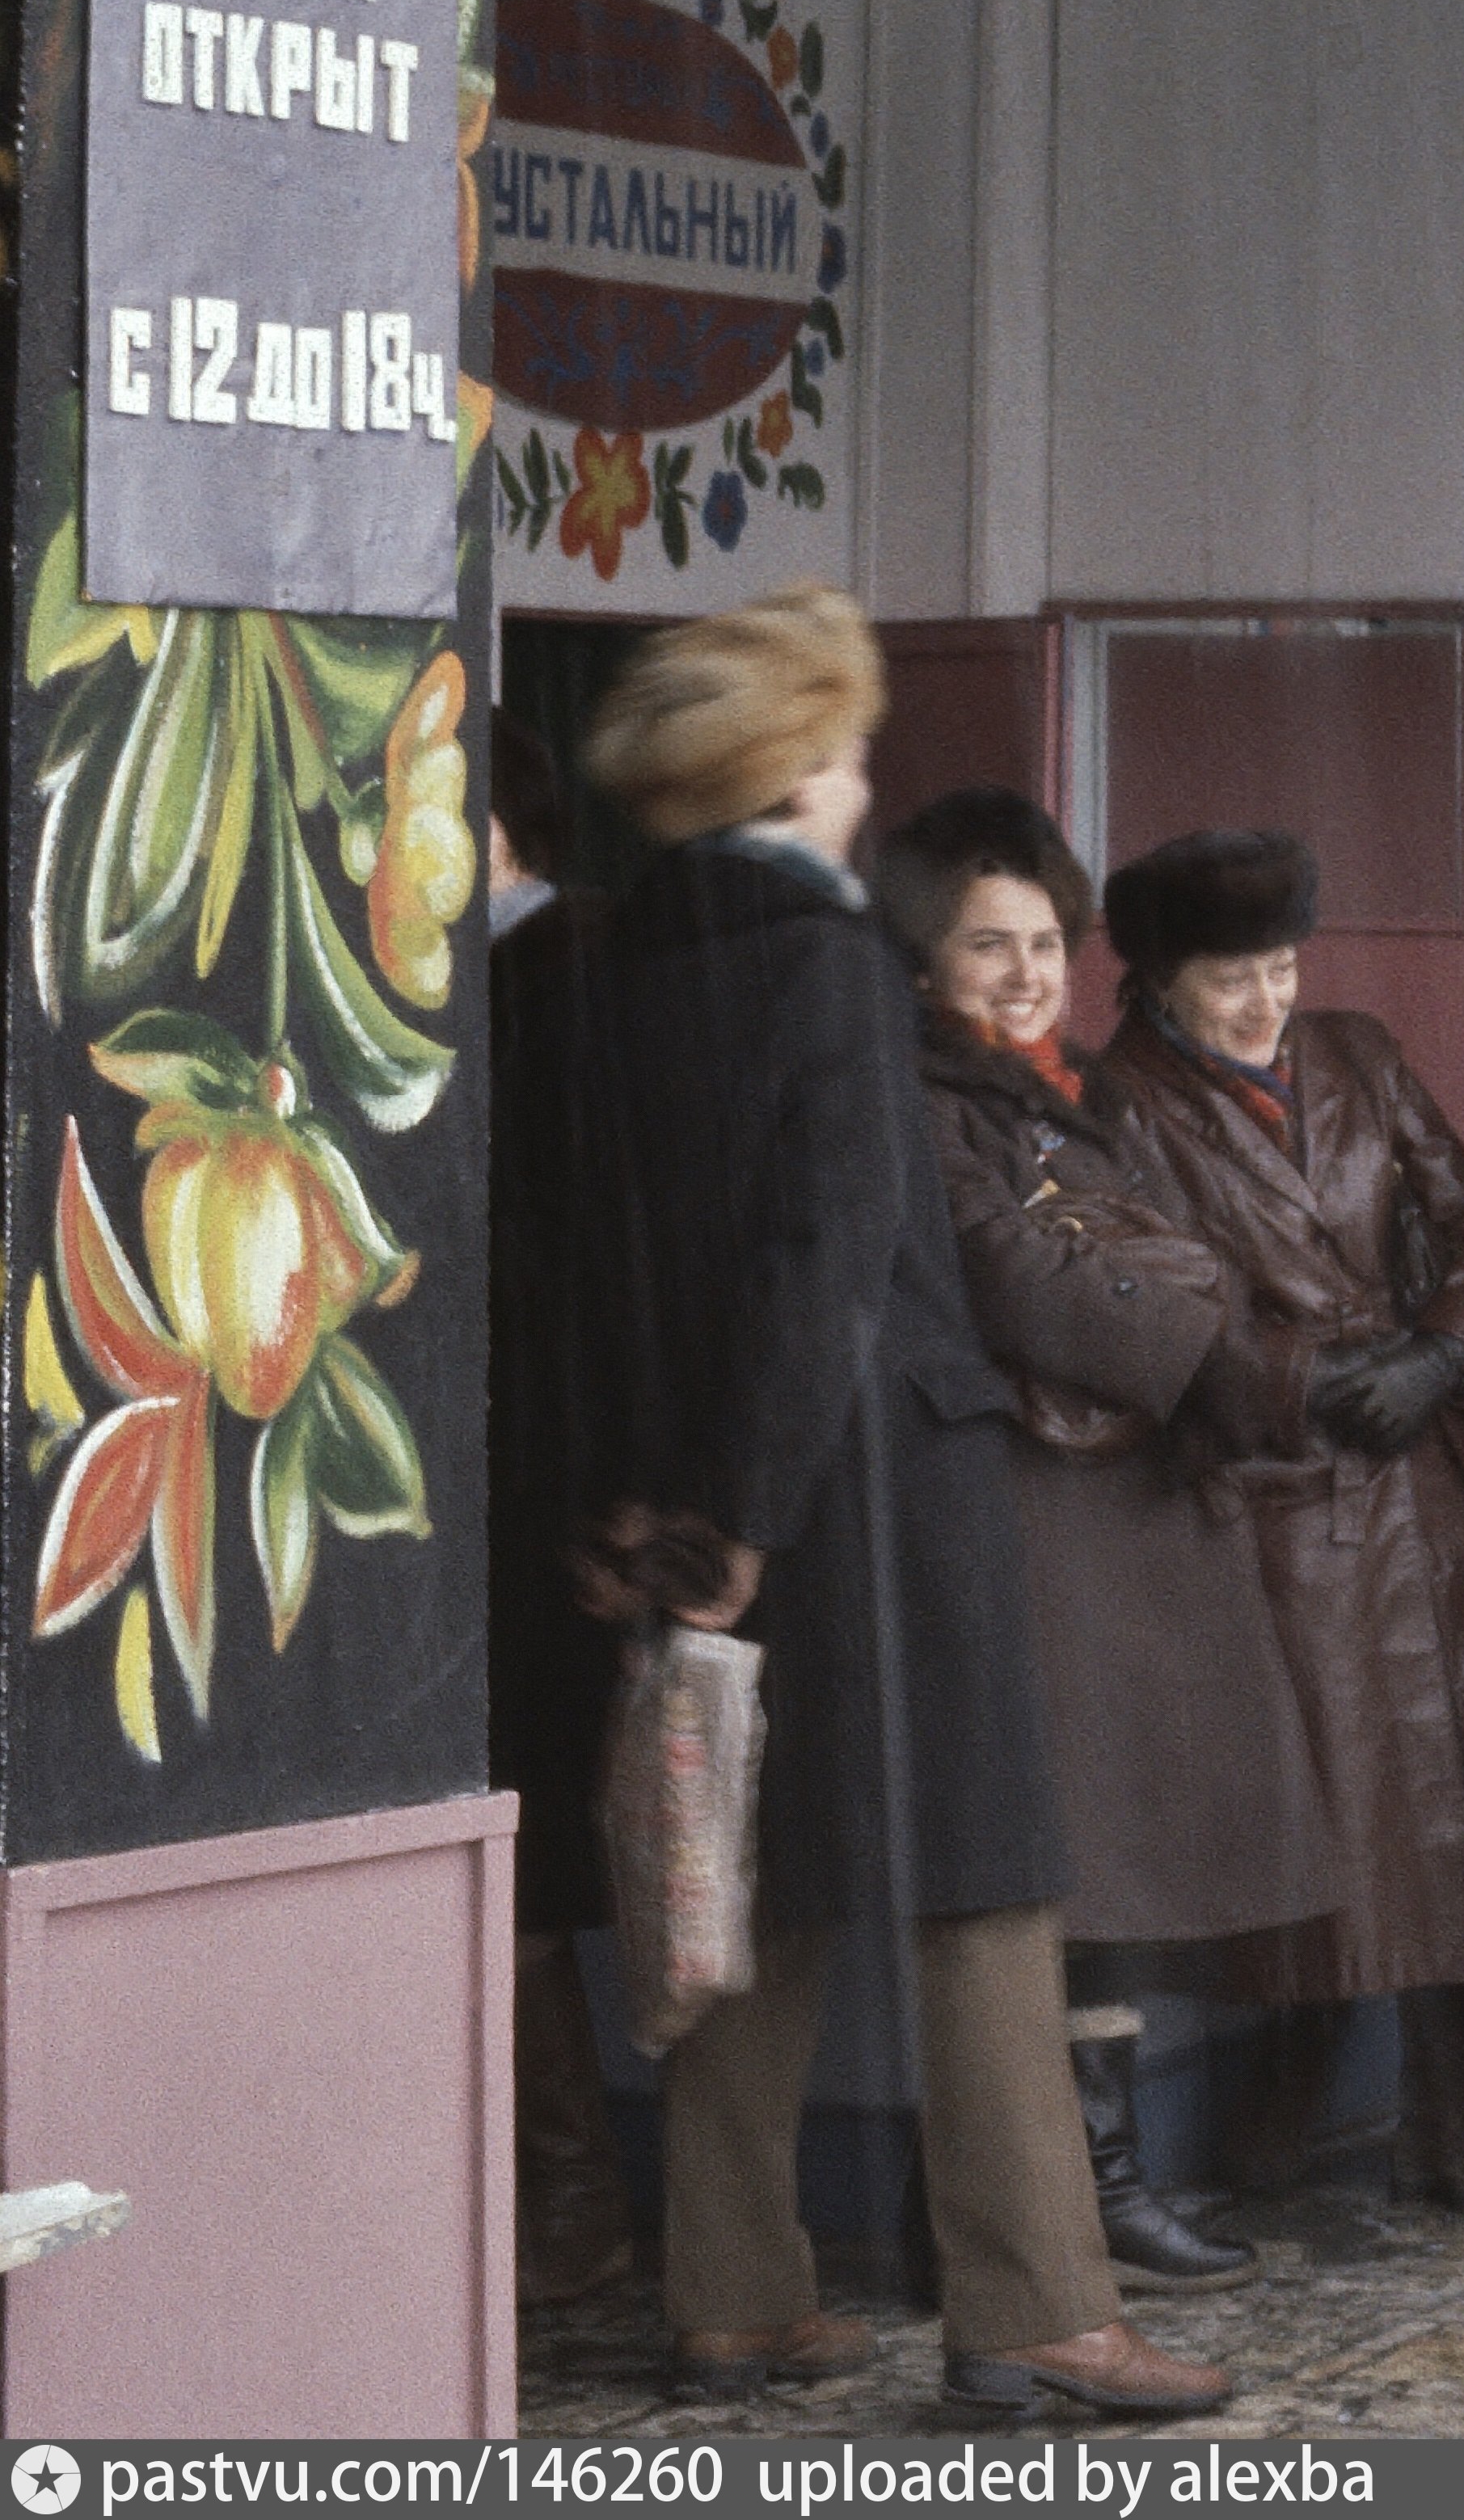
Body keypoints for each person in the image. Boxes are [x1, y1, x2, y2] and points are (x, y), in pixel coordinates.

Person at [580, 589, 1230, 2419]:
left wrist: (667, 1496)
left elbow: (597, 1251)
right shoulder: (837, 962)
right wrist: (760, 1503)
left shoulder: (628, 955)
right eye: (845, 744)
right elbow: (836, 1250)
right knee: (984, 1897)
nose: (865, 777)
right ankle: (1032, 2308)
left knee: (746, 1885)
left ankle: (731, 2289)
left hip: (722, 1487)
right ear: (789, 764)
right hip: (873, 1482)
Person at [880, 792, 1336, 2299]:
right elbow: (1028, 1279)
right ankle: (1067, 2201)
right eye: (984, 948)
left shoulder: (1061, 1091)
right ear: (922, 959)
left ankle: (1101, 2185)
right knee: (1062, 1873)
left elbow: (1132, 1262)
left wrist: (1167, 1293)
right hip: (1034, 1527)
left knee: (1107, 1872)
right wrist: (1198, 1313)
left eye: (1042, 946)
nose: (1023, 976)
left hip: (1105, 1521)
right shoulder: (935, 1102)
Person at [1095, 828, 1464, 2222]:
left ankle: (1451, 2109)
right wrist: (1305, 1382)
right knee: (1325, 1817)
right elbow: (1149, 1297)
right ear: (1163, 980)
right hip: (1286, 1499)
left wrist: (1446, 1352)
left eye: (1282, 968)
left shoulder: (1359, 1053)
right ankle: (1293, 2083)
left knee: (1463, 1809)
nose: (1266, 1003)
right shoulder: (1120, 1105)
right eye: (1231, 978)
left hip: (1437, 1487)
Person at [484, 713, 638, 2308]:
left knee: (532, 1825)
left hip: (547, 1466)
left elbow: (580, 1253)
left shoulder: (567, 975)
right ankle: (564, 2190)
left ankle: (581, 2195)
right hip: (502, 1464)